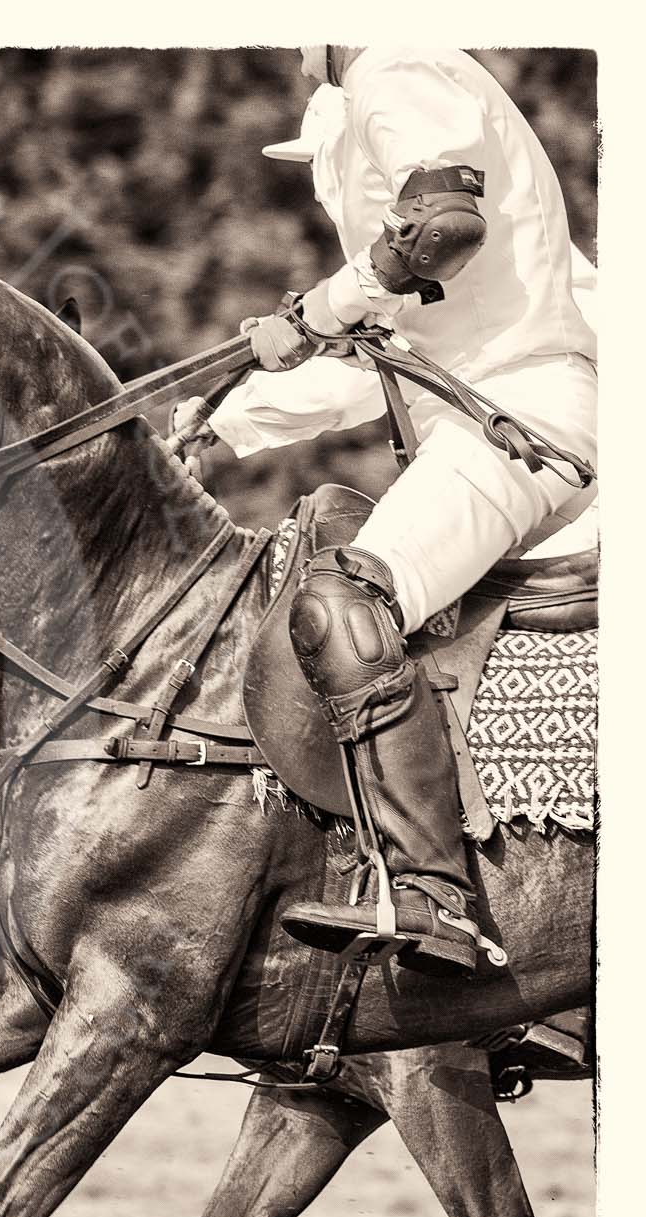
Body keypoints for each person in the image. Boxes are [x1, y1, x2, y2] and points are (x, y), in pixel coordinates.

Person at [174, 47, 596, 976]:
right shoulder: (397, 78)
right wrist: (214, 420)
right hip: (494, 419)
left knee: (341, 603)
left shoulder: (395, 59)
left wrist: (322, 304)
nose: (289, 49)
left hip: (521, 422)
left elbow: (443, 224)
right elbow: (374, 364)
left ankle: (432, 894)